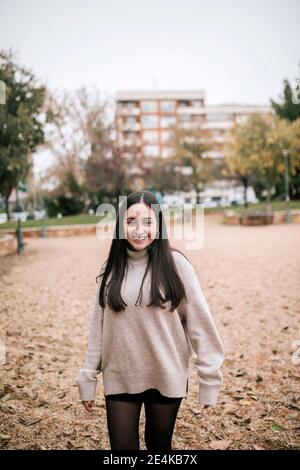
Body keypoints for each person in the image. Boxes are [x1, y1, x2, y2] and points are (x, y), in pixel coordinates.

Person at [76, 190, 225, 451]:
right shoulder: (110, 269)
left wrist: (209, 379)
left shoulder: (177, 265)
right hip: (121, 375)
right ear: (121, 224)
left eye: (147, 222)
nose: (139, 230)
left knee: (159, 448)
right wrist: (88, 377)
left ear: (158, 225)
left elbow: (201, 324)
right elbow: (98, 330)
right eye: (131, 221)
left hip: (166, 375)